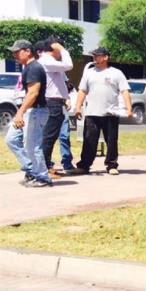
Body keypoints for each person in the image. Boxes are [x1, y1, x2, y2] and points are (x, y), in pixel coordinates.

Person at [70, 47, 132, 175]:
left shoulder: (116, 73)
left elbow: (125, 91)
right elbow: (82, 90)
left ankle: (111, 165)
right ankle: (84, 165)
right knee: (89, 140)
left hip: (111, 113)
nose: (95, 58)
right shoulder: (89, 73)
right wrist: (78, 107)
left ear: (105, 57)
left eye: (97, 56)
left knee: (111, 140)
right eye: (94, 56)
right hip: (92, 113)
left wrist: (129, 108)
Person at [5, 40, 53, 187]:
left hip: (36, 111)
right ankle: (32, 169)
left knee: (33, 146)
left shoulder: (34, 68)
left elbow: (33, 93)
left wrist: (19, 113)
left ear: (27, 51)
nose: (14, 55)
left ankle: (42, 177)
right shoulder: (28, 67)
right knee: (12, 139)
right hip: (30, 111)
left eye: (17, 52)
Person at [36, 38, 72, 179]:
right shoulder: (47, 60)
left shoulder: (51, 63)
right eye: (60, 49)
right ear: (54, 48)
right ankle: (44, 169)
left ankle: (46, 166)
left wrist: (66, 98)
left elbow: (60, 82)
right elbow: (69, 65)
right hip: (51, 103)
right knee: (48, 137)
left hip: (56, 102)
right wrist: (62, 49)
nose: (61, 53)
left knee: (50, 136)